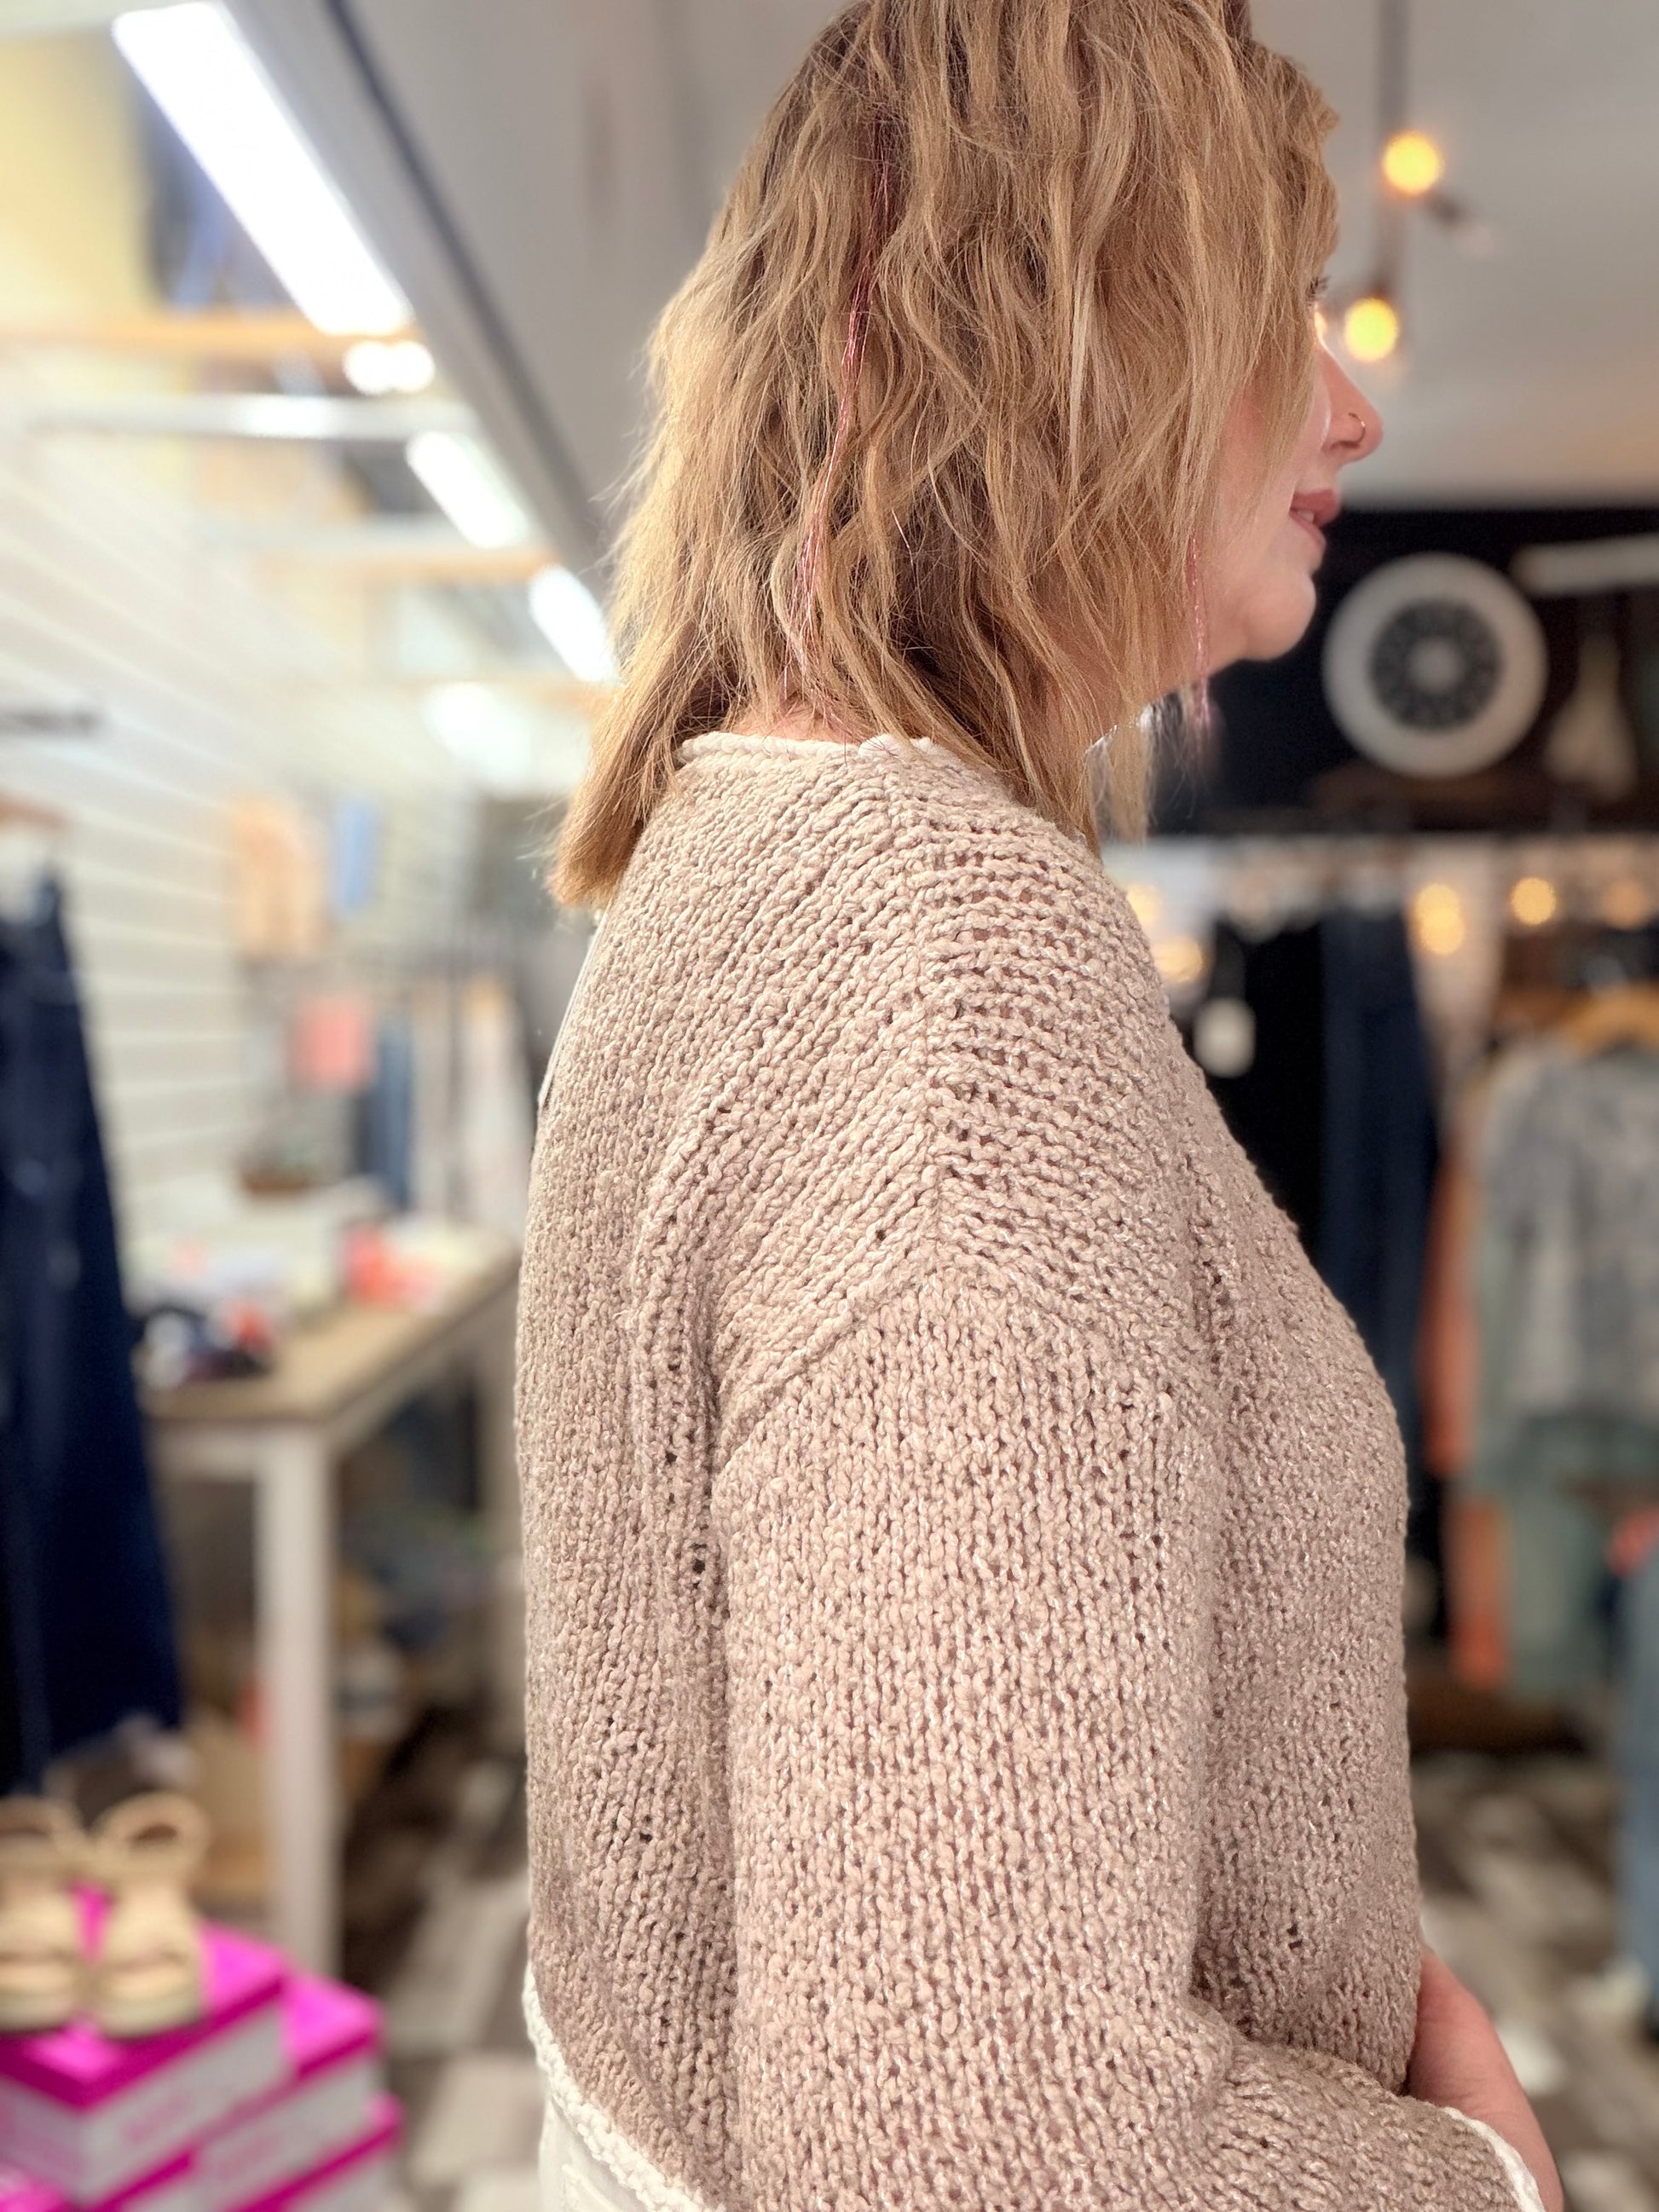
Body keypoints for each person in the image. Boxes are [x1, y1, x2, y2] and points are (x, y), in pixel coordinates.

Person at [517, 2, 1563, 2208]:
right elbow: (976, 2146)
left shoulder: (759, 855)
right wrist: (1480, 2185)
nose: (1353, 401)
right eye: (1283, 301)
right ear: (1068, 332)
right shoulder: (946, 965)